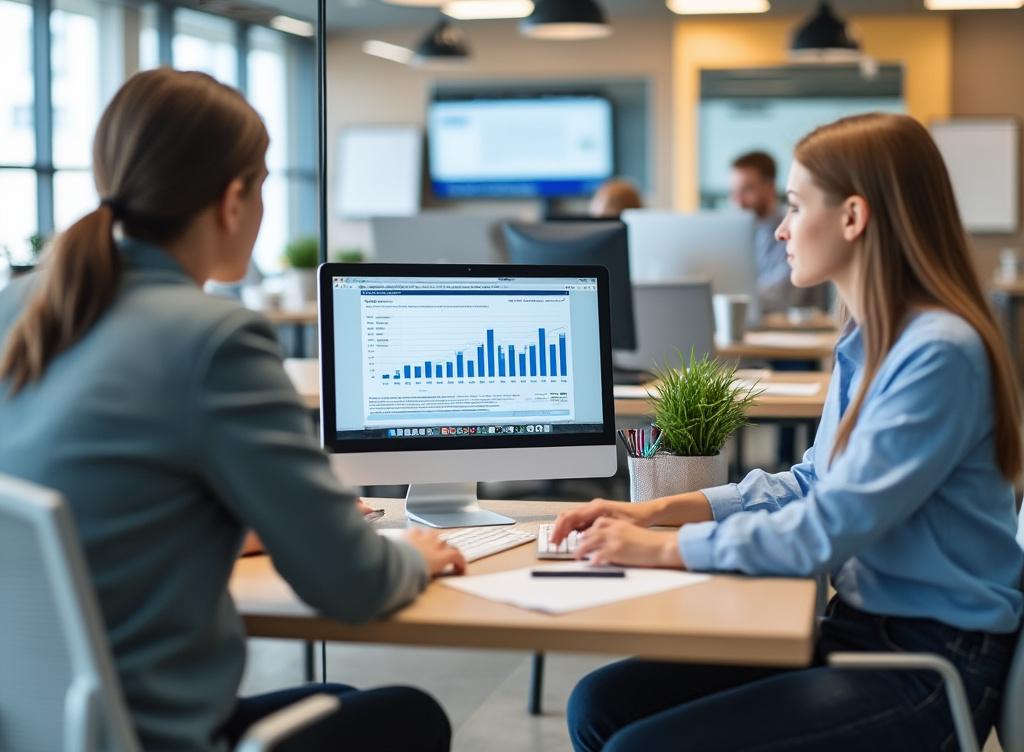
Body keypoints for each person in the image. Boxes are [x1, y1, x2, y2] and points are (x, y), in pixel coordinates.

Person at [0, 68, 465, 752]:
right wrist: (417, 557)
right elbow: (354, 587)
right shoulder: (214, 340)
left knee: (335, 701)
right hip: (153, 735)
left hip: (39, 727)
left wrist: (217, 525)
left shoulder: (26, 309)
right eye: (266, 184)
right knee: (409, 717)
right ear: (234, 199)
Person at [554, 113, 1024, 752]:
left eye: (797, 206)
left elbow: (828, 526)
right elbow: (809, 482)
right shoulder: (872, 340)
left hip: (927, 666)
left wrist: (664, 550)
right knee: (600, 705)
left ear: (853, 217)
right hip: (858, 630)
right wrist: (652, 512)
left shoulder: (938, 353)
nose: (780, 228)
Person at [730, 150, 828, 314]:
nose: (738, 202)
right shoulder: (736, 235)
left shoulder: (795, 227)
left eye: (746, 190)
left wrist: (729, 296)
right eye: (733, 192)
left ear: (770, 187)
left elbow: (785, 294)